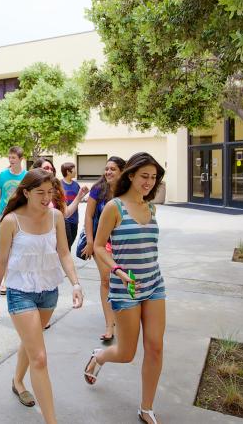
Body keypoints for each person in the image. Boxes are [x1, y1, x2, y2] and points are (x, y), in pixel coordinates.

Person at [0, 169, 84, 424]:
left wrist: (75, 283)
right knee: (39, 357)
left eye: (50, 192)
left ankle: (17, 381)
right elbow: (1, 262)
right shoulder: (11, 221)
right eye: (40, 192)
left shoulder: (57, 217)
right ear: (26, 192)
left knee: (31, 343)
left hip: (49, 291)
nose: (46, 197)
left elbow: (63, 252)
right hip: (20, 292)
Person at [83, 152, 166, 424]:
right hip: (125, 287)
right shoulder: (114, 207)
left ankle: (146, 407)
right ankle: (100, 356)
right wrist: (117, 269)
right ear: (130, 175)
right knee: (127, 353)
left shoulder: (151, 208)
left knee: (154, 347)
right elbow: (98, 245)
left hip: (153, 284)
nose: (149, 183)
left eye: (153, 178)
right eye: (144, 176)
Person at [81, 156, 125, 342]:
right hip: (102, 242)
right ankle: (110, 325)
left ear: (122, 171)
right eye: (106, 169)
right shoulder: (98, 189)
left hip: (123, 243)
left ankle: (124, 317)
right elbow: (89, 215)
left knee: (123, 280)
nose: (108, 172)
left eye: (113, 169)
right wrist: (90, 242)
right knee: (106, 279)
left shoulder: (128, 191)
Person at [0, 146, 27, 294]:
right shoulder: (3, 175)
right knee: (3, 251)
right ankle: (5, 282)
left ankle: (13, 280)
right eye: (9, 157)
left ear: (20, 159)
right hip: (2, 216)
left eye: (13, 158)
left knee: (16, 251)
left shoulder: (26, 176)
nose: (11, 160)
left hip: (19, 216)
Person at [33, 158, 87, 223]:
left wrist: (79, 196)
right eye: (46, 168)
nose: (50, 171)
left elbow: (66, 213)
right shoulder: (30, 189)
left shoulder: (57, 189)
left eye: (52, 169)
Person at [60, 162, 88, 250]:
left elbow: (78, 199)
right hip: (65, 219)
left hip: (75, 219)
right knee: (67, 243)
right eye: (74, 169)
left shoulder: (76, 185)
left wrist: (84, 194)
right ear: (68, 171)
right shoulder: (60, 185)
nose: (76, 171)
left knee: (71, 241)